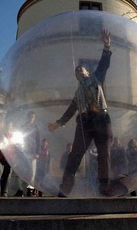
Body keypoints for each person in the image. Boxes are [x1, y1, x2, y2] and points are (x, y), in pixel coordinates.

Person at [48, 29, 112, 196]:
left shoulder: (97, 78)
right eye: (76, 71)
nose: (78, 71)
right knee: (75, 154)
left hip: (101, 119)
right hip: (84, 122)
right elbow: (70, 110)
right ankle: (65, 187)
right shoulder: (78, 93)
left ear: (87, 72)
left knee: (103, 154)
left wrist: (106, 46)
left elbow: (104, 65)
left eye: (80, 69)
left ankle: (104, 186)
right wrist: (58, 123)